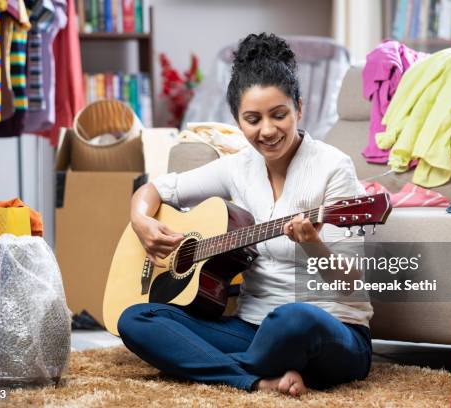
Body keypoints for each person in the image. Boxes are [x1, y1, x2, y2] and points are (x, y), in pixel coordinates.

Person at [119, 33, 373, 396]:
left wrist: (313, 243)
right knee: (136, 319)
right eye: (252, 119)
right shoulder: (237, 167)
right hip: (252, 328)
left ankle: (208, 366)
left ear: (299, 109)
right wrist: (141, 219)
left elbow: (350, 283)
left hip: (329, 331)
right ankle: (260, 380)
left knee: (292, 317)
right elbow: (156, 190)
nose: (267, 130)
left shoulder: (334, 167)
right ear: (238, 121)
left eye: (279, 115)